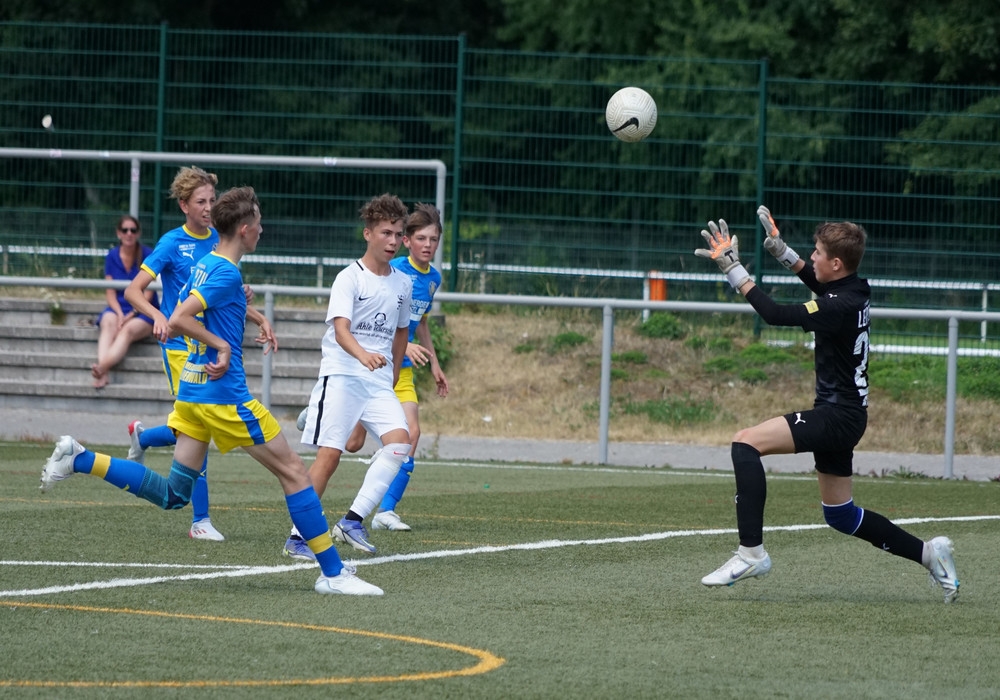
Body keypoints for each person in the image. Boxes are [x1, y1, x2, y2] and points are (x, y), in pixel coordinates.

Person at [40, 186, 382, 596]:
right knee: (295, 474)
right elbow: (179, 318)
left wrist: (251, 318)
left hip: (193, 392)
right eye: (258, 223)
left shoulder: (208, 263)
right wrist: (222, 345)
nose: (262, 229)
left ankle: (80, 458)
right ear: (244, 229)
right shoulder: (225, 271)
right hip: (225, 397)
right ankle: (333, 573)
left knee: (174, 494)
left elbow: (201, 308)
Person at [694, 205, 960, 603]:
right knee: (840, 514)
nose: (812, 257)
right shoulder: (856, 289)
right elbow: (822, 285)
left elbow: (775, 314)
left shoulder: (839, 305)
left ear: (836, 263)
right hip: (847, 415)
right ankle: (929, 554)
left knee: (745, 443)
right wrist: (782, 252)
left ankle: (751, 554)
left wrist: (733, 269)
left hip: (837, 416)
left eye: (817, 253)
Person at [123, 166, 276, 542]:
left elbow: (222, 296)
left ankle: (143, 438)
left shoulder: (222, 239)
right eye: (201, 201)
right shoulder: (172, 243)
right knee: (198, 428)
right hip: (180, 347)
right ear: (184, 205)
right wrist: (159, 316)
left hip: (208, 343)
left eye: (212, 200)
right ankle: (200, 519)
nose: (208, 207)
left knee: (192, 428)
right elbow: (133, 291)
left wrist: (257, 316)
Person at [283, 193, 412, 560]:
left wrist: (392, 373)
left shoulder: (403, 283)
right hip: (342, 375)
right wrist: (363, 355)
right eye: (385, 233)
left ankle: (352, 521)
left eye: (398, 234)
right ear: (368, 233)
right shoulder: (349, 277)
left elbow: (401, 331)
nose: (392, 241)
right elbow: (341, 330)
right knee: (330, 456)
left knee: (400, 444)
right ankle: (297, 537)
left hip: (377, 381)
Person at [343, 202, 450, 533]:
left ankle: (385, 511)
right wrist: (406, 344)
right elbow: (382, 320)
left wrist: (434, 364)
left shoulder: (433, 278)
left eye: (433, 239)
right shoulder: (396, 271)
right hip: (376, 364)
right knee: (352, 444)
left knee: (412, 433)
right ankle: (322, 411)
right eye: (421, 238)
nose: (428, 245)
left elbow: (421, 322)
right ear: (407, 241)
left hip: (400, 370)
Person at [91, 215, 158, 389]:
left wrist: (130, 315)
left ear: (138, 233)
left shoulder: (148, 255)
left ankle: (101, 369)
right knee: (108, 322)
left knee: (126, 330)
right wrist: (120, 314)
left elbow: (148, 294)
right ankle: (103, 372)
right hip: (118, 308)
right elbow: (110, 292)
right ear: (118, 233)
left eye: (133, 230)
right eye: (125, 230)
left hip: (143, 311)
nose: (129, 234)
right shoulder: (111, 256)